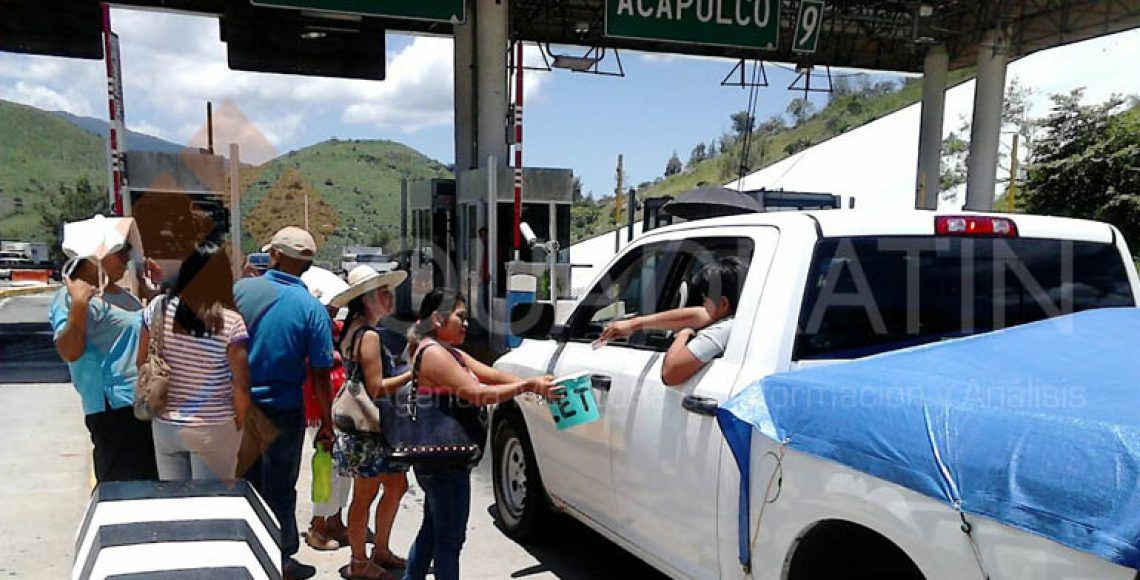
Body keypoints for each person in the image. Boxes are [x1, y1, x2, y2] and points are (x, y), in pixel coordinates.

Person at [403, 289, 562, 580]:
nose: (466, 324)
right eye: (460, 317)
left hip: (441, 463)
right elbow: (478, 394)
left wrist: (535, 382)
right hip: (444, 464)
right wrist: (528, 388)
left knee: (432, 531)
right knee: (450, 541)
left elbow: (493, 375)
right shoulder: (435, 354)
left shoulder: (448, 352)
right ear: (438, 319)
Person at [233, 226, 335, 580]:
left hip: (240, 409)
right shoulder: (311, 308)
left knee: (243, 483)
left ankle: (242, 553)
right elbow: (322, 374)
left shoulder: (240, 290)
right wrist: (327, 423)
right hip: (283, 410)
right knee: (279, 488)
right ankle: (281, 560)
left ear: (274, 256)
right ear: (306, 266)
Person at [49, 216, 160, 483]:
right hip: (114, 411)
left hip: (140, 403)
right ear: (96, 257)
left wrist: (153, 292)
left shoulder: (120, 294)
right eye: (121, 252)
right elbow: (69, 351)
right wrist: (78, 307)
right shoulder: (72, 297)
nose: (127, 258)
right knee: (124, 488)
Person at [326, 265, 415, 579]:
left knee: (393, 486)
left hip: (372, 427)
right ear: (366, 299)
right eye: (382, 293)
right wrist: (412, 375)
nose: (389, 298)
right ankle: (360, 561)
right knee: (367, 494)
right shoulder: (370, 336)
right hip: (371, 429)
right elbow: (377, 386)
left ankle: (377, 551)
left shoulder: (356, 328)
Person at [137, 243, 251, 480]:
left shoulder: (157, 309)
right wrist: (239, 423)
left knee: (176, 506)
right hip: (212, 426)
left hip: (166, 424)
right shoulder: (231, 322)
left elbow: (141, 362)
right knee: (210, 505)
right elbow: (240, 384)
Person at [599, 256, 747, 386]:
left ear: (723, 303)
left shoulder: (721, 331)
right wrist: (633, 324)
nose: (703, 305)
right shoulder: (743, 321)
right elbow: (697, 315)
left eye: (705, 300)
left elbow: (670, 374)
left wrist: (684, 334)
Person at [299, 265, 352, 551]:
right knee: (326, 466)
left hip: (338, 408)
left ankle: (335, 517)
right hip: (320, 409)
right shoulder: (310, 333)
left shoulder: (337, 330)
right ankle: (319, 524)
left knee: (342, 467)